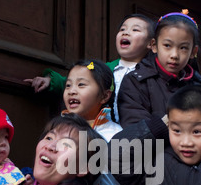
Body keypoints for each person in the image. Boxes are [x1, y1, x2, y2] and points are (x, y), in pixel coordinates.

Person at [24, 13, 156, 123]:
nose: (126, 33)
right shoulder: (105, 67)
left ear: (151, 44)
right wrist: (51, 81)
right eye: (122, 29)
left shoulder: (152, 72)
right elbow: (79, 77)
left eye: (135, 30)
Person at [117, 9, 201, 127]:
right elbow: (133, 133)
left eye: (183, 48)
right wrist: (167, 123)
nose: (174, 55)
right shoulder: (135, 82)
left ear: (193, 52)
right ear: (154, 46)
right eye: (167, 45)